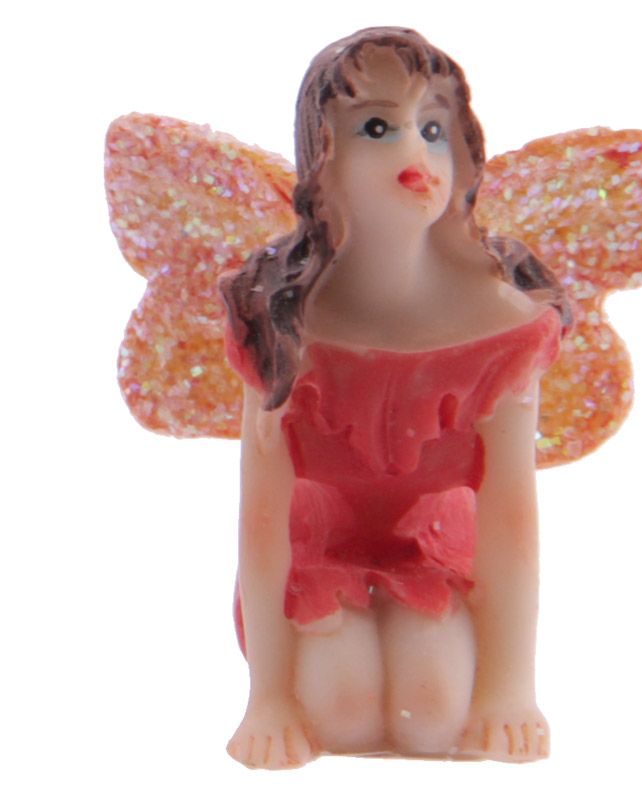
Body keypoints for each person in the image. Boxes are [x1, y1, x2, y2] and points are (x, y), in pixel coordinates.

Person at [220, 26, 570, 769]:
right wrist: (269, 697)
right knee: (342, 710)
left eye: (432, 127)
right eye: (377, 127)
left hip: (430, 548)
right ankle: (317, 675)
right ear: (323, 159)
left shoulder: (505, 323)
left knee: (431, 714)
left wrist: (509, 690)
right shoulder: (278, 319)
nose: (416, 152)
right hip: (315, 547)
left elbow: (510, 516)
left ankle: (438, 656)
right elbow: (263, 521)